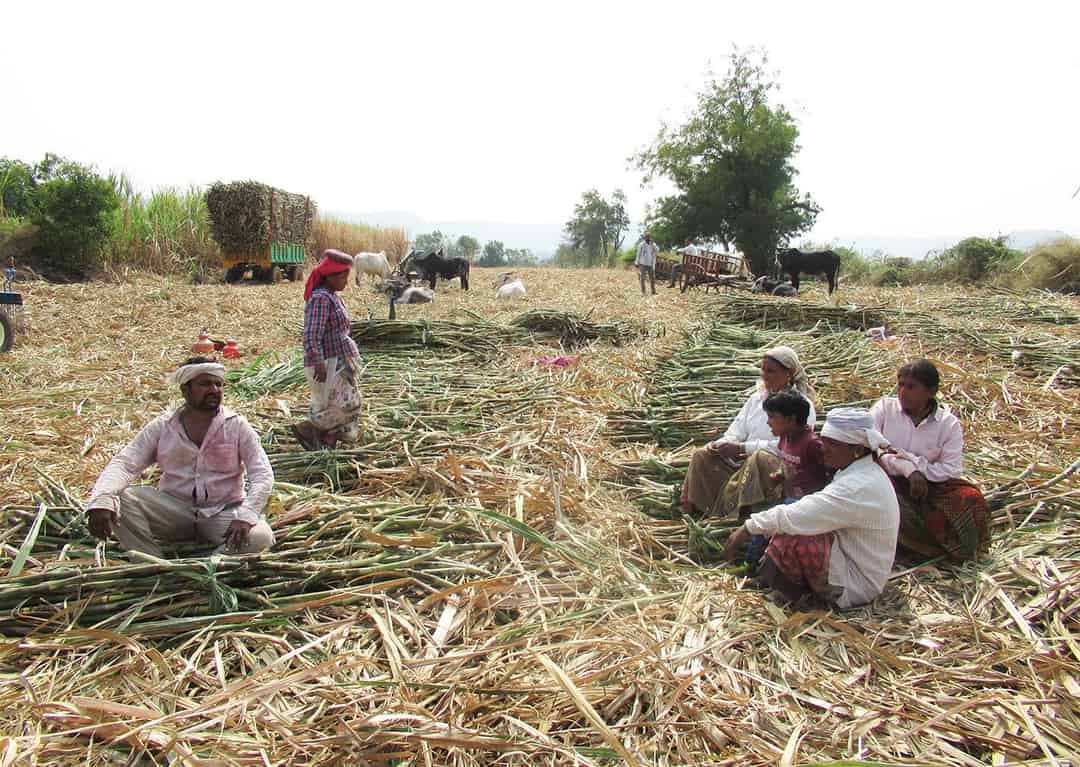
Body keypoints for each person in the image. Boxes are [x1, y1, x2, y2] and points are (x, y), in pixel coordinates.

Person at [85, 357, 275, 557]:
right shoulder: (162, 427)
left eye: (218, 384)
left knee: (261, 537)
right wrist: (101, 499)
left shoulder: (237, 426)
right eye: (205, 384)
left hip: (222, 511)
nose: (214, 390)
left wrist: (247, 515)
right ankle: (151, 562)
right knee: (119, 499)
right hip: (174, 510)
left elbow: (262, 473)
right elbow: (125, 464)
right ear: (185, 390)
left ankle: (209, 565)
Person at [724, 408, 900, 608]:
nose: (824, 448)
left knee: (794, 531)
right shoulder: (859, 471)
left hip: (857, 583)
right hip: (849, 558)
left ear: (857, 450)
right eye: (824, 441)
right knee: (791, 521)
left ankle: (796, 594)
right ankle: (774, 583)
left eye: (832, 444)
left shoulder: (858, 486)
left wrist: (747, 528)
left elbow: (801, 515)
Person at [871, 359, 990, 562]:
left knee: (971, 497)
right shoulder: (884, 409)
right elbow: (875, 446)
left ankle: (950, 550)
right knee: (886, 499)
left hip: (930, 486)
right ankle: (910, 547)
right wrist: (908, 469)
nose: (903, 392)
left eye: (911, 387)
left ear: (931, 391)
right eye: (900, 385)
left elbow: (951, 470)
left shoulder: (947, 424)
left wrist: (919, 469)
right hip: (887, 478)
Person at [681, 346, 817, 517]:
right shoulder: (757, 399)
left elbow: (789, 446)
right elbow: (737, 428)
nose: (764, 375)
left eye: (771, 371)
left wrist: (743, 448)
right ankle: (707, 510)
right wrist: (724, 444)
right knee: (702, 455)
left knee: (758, 459)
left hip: (772, 465)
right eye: (763, 369)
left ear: (788, 373)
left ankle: (741, 516)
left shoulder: (801, 406)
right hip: (741, 458)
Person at [292, 249, 363, 450]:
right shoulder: (321, 298)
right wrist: (318, 362)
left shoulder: (333, 296)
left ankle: (326, 442)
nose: (346, 282)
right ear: (330, 276)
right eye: (343, 277)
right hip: (328, 362)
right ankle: (309, 428)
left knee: (339, 404)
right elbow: (312, 334)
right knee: (349, 404)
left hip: (339, 360)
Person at [764, 391, 829, 501]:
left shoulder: (812, 444)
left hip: (809, 502)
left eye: (772, 417)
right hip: (790, 496)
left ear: (790, 419)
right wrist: (780, 475)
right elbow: (790, 465)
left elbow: (828, 473)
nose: (768, 422)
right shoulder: (784, 437)